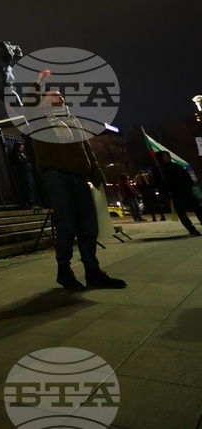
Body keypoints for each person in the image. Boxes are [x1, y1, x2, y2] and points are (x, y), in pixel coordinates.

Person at [25, 90, 126, 290]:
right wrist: (38, 83)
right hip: (57, 176)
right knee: (67, 224)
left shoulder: (72, 120)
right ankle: (64, 271)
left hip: (79, 177)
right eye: (53, 95)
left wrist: (97, 177)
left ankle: (92, 271)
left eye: (61, 95)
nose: (59, 97)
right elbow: (29, 106)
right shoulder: (39, 120)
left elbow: (87, 151)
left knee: (89, 226)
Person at [153, 151, 202, 236]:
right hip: (175, 194)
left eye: (167, 155)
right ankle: (191, 229)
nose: (167, 157)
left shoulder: (176, 166)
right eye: (164, 156)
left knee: (198, 208)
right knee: (181, 213)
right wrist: (167, 192)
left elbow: (186, 176)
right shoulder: (158, 170)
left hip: (186, 192)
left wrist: (189, 186)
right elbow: (159, 183)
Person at [10, 142, 40, 208]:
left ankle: (34, 201)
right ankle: (30, 201)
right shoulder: (16, 154)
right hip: (24, 173)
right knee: (28, 186)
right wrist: (26, 159)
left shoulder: (21, 154)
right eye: (21, 147)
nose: (22, 148)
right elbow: (20, 162)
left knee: (31, 186)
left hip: (28, 172)